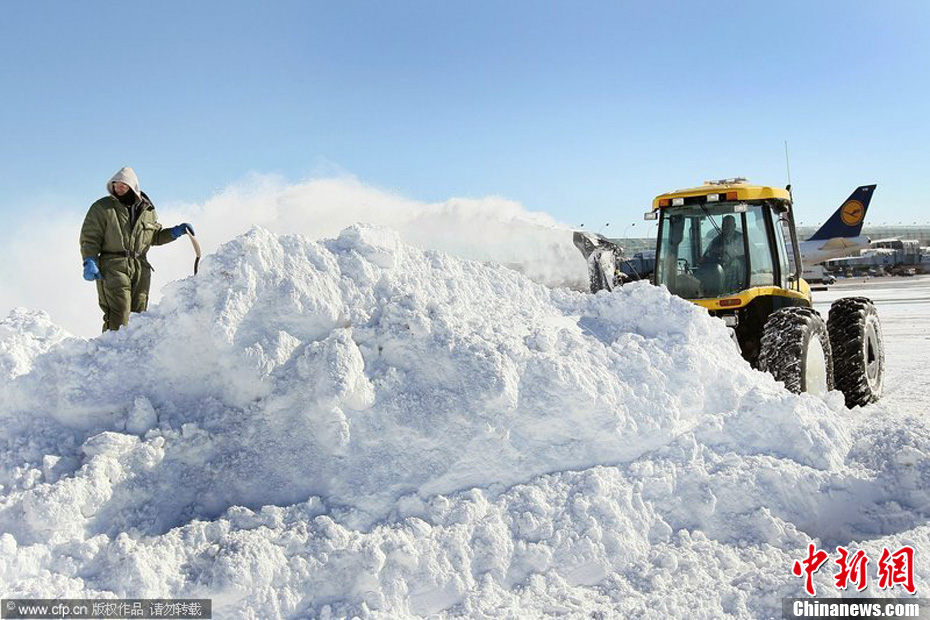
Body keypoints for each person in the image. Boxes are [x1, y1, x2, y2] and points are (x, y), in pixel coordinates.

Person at [79, 166, 195, 332]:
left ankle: (133, 357)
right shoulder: (102, 208)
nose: (118, 188)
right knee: (119, 314)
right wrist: (89, 260)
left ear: (133, 187)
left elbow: (154, 237)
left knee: (138, 316)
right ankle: (111, 353)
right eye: (116, 185)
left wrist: (175, 232)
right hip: (113, 265)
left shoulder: (147, 211)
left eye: (123, 185)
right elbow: (90, 237)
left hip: (140, 267)